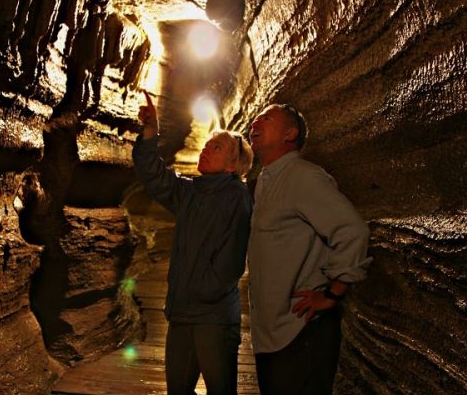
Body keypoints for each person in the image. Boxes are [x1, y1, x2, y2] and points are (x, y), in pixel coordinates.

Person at [132, 91, 253, 395]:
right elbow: (155, 177)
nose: (206, 149)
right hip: (182, 313)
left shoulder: (236, 197)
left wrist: (201, 291)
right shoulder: (191, 191)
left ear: (232, 165)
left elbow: (231, 262)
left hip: (213, 317)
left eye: (217, 147)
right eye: (207, 144)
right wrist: (150, 134)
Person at [246, 104, 372, 394]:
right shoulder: (267, 180)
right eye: (257, 117)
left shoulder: (303, 176)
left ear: (290, 134)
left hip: (301, 332)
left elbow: (352, 231)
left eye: (267, 118)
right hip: (274, 333)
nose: (256, 121)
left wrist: (332, 293)